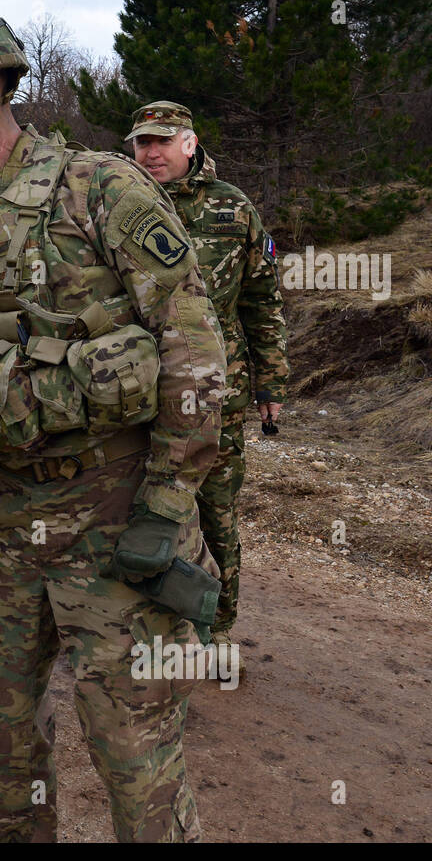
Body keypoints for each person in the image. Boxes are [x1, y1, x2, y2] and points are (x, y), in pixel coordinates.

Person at [0, 2, 228, 841]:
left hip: (120, 516)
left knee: (135, 758)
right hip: (6, 527)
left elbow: (197, 355)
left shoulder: (100, 188)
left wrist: (170, 506)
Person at [127, 101, 289, 665]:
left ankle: (217, 630)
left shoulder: (233, 209)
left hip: (215, 395)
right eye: (142, 142)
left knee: (215, 511)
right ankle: (142, 628)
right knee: (138, 509)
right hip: (134, 393)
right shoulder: (116, 205)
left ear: (189, 144)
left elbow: (262, 301)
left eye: (162, 142)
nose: (150, 152)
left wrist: (271, 386)